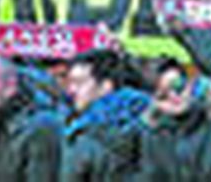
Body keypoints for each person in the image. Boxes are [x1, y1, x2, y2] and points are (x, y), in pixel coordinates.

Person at [61, 49, 149, 181]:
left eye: (79, 83)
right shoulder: (150, 122)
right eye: (70, 83)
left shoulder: (85, 134)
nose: (71, 91)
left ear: (106, 86)